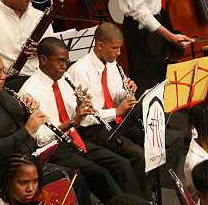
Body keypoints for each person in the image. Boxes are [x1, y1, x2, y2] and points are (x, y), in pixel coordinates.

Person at [19, 37, 143, 202]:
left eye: (66, 61)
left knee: (121, 164)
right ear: (43, 60)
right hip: (54, 149)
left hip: (75, 138)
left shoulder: (64, 79)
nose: (65, 66)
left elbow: (74, 114)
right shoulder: (29, 91)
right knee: (99, 173)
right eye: (60, 61)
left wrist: (80, 106)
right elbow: (40, 139)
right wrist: (72, 122)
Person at [67, 22, 183, 193]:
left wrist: (125, 94)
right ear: (100, 45)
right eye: (115, 48)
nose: (119, 53)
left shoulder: (112, 64)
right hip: (95, 129)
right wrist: (116, 111)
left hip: (119, 120)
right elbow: (85, 117)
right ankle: (139, 197)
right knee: (136, 154)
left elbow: (114, 94)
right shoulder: (79, 71)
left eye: (120, 48)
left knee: (173, 139)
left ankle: (151, 186)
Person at [0, 47, 90, 203]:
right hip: (0, 175)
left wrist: (27, 111)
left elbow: (17, 122)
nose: (4, 76)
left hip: (28, 161)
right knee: (68, 179)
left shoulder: (2, 92)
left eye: (3, 70)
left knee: (77, 179)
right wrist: (28, 130)